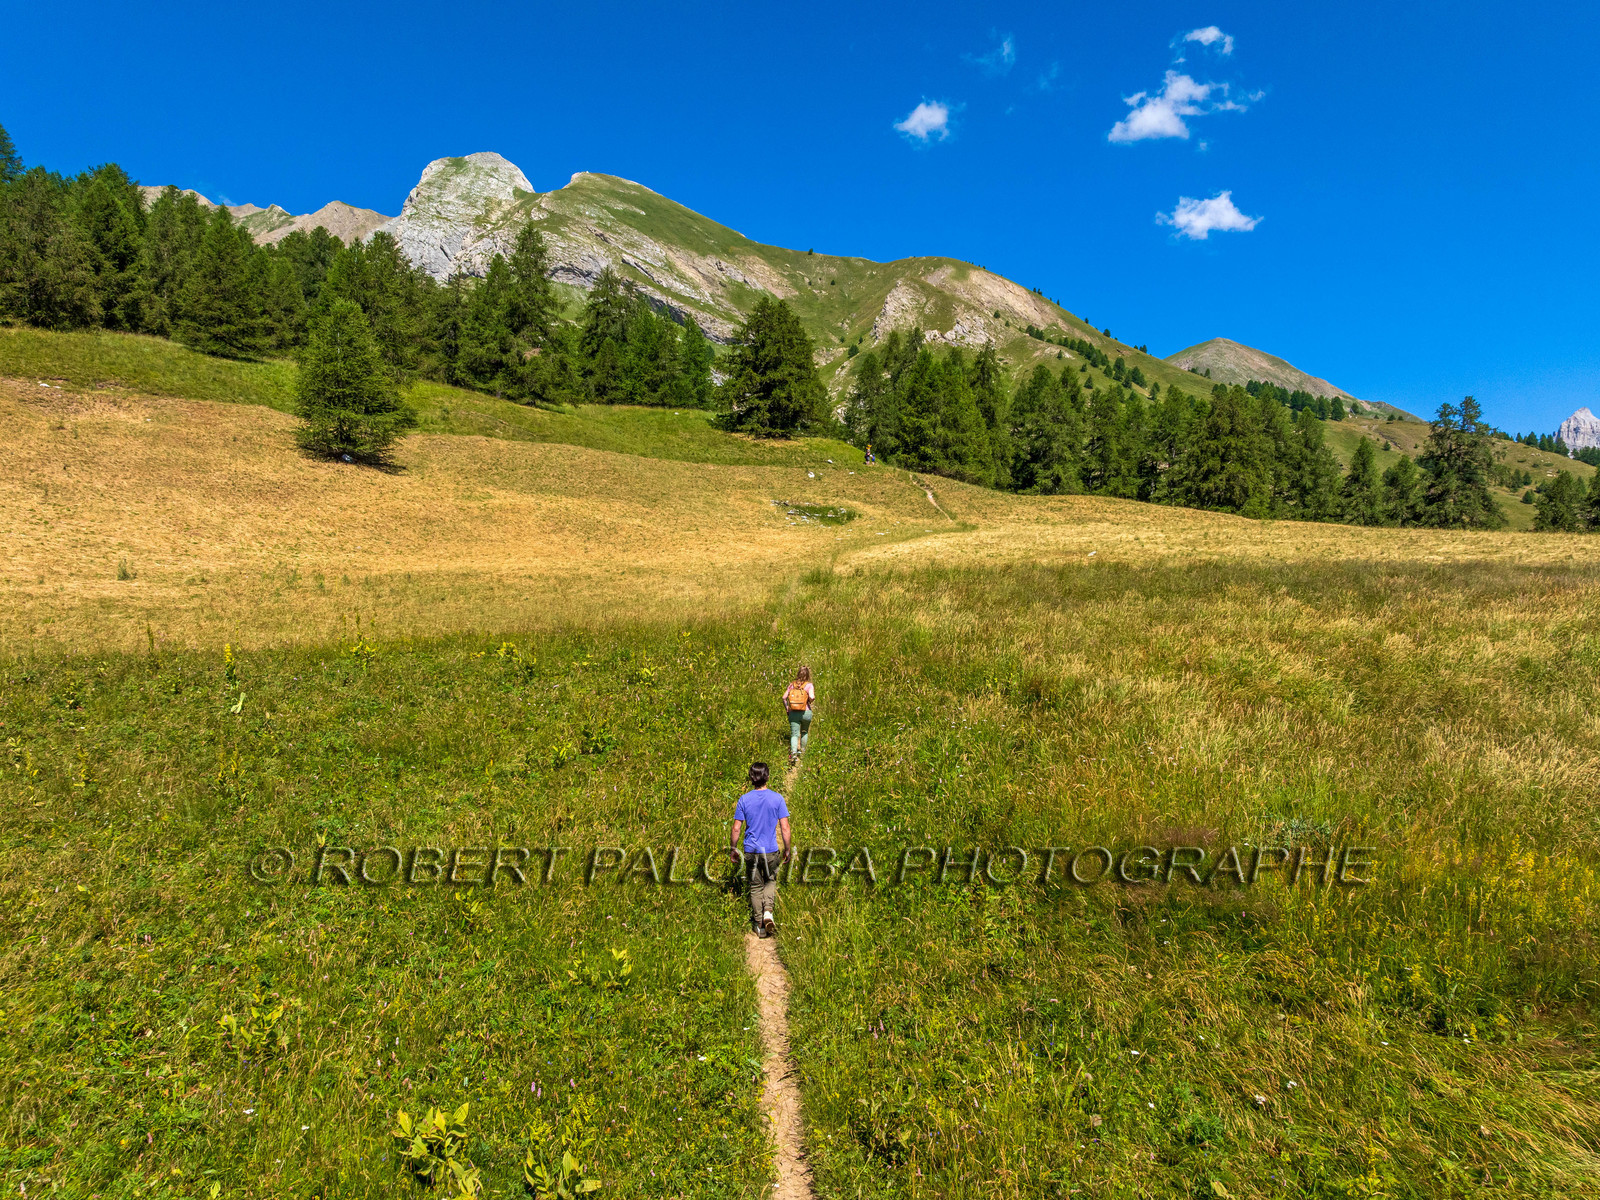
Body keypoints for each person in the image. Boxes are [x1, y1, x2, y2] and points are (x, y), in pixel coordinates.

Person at [729, 762, 792, 937]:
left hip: (751, 850)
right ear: (768, 777)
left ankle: (759, 925)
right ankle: (768, 912)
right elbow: (785, 828)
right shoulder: (777, 798)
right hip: (771, 850)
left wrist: (733, 848)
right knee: (770, 880)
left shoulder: (744, 800)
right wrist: (787, 849)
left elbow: (736, 828)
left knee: (755, 886)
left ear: (751, 778)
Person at [782, 666, 814, 766]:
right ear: (808, 675)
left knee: (794, 734)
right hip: (806, 712)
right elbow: (812, 697)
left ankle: (794, 754)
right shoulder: (809, 685)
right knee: (804, 732)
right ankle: (803, 752)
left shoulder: (792, 685)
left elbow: (784, 697)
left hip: (793, 713)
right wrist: (808, 701)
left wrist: (787, 708)